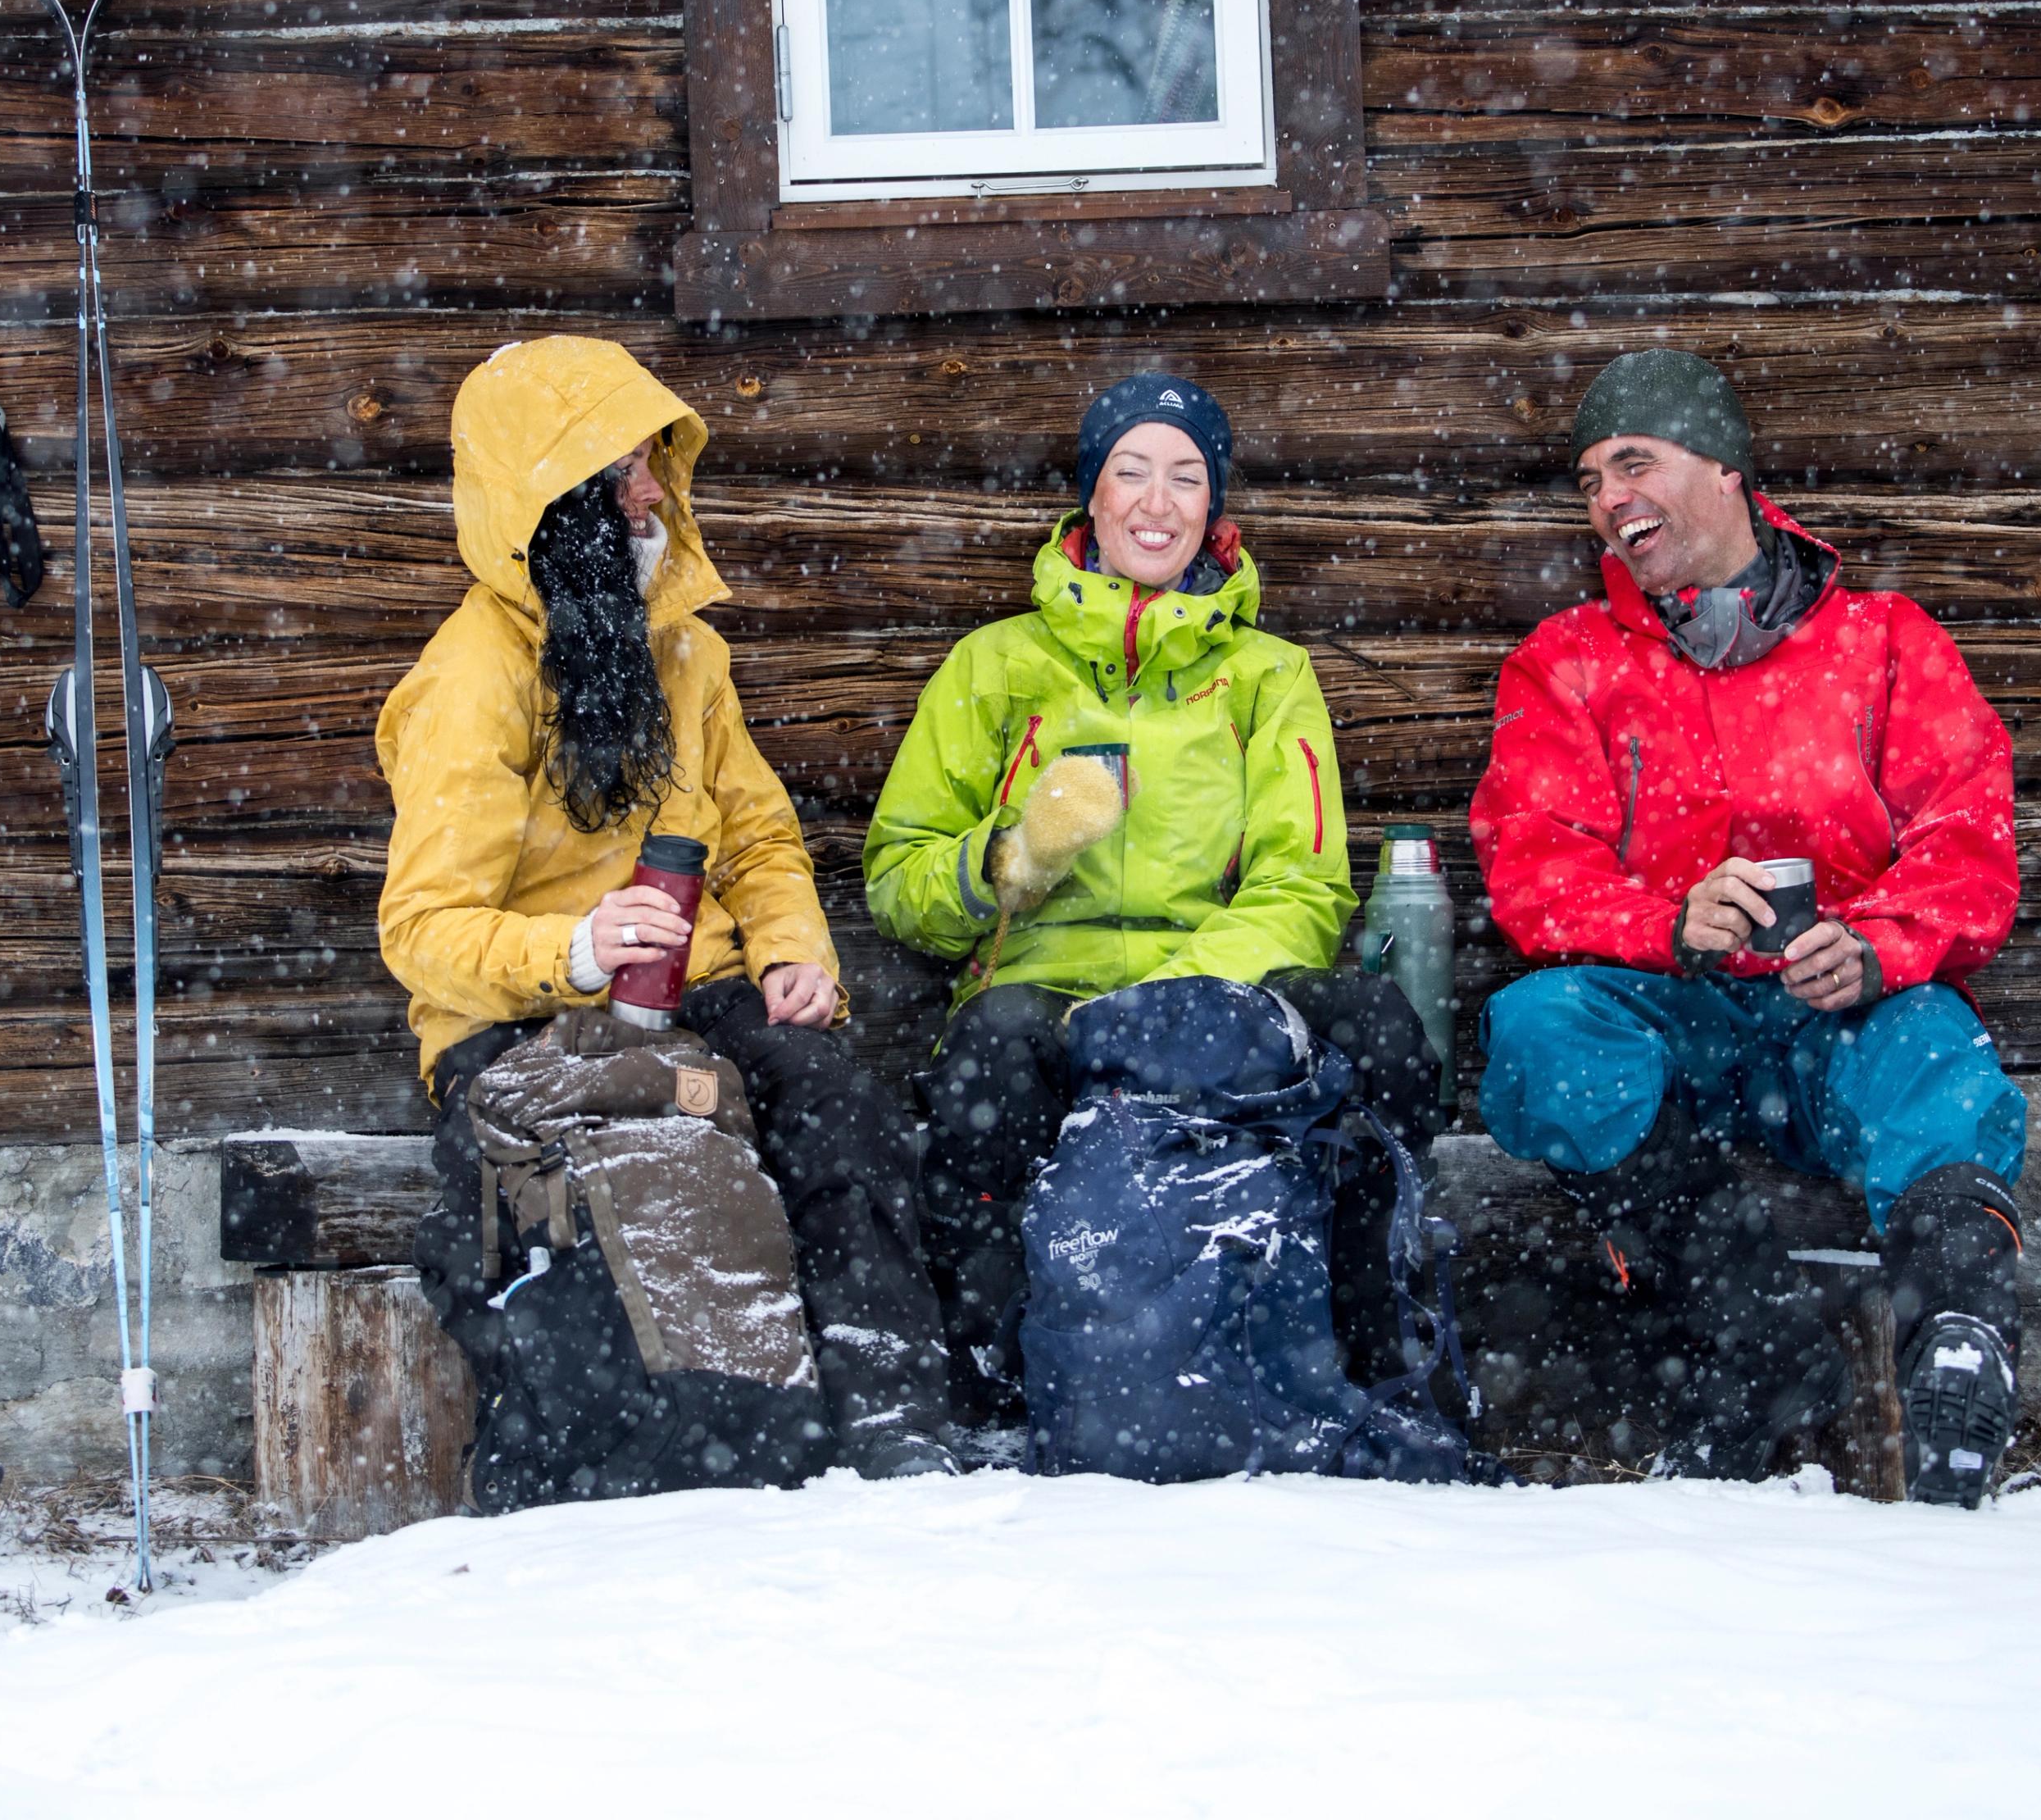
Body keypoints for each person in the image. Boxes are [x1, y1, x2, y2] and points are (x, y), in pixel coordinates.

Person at [374, 335, 957, 1478]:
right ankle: (689, 1458)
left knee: (840, 1106)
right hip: (522, 1024)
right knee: (630, 1180)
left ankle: (894, 1426)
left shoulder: (690, 654)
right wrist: (576, 950)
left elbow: (760, 836)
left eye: (652, 462)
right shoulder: (474, 678)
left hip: (703, 994)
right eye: (617, 469)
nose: (651, 492)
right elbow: (423, 933)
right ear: (543, 499)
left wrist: (795, 955)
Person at [1468, 347, 2030, 1506]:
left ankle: (1960, 1339)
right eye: (1590, 481)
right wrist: (1668, 923)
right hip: (1670, 1021)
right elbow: (1532, 865)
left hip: (1838, 1018)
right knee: (1541, 1032)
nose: (1611, 498)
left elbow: (1967, 837)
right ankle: (1744, 1314)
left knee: (1936, 1048)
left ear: (1725, 469)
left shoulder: (1885, 645)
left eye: (1637, 463)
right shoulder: (1567, 664)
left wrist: (1878, 941)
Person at [863, 371, 1443, 1417]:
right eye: (1130, 472)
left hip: (1223, 996)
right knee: (987, 1059)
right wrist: (1009, 862)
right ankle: (992, 1386)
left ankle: (1371, 1352)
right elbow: (899, 879)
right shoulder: (994, 667)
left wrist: (1170, 1004)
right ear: (1090, 496)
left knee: (1383, 1034)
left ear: (1214, 511)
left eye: (1186, 477)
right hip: (1046, 998)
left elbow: (1302, 883)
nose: (1156, 502)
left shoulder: (1270, 676)